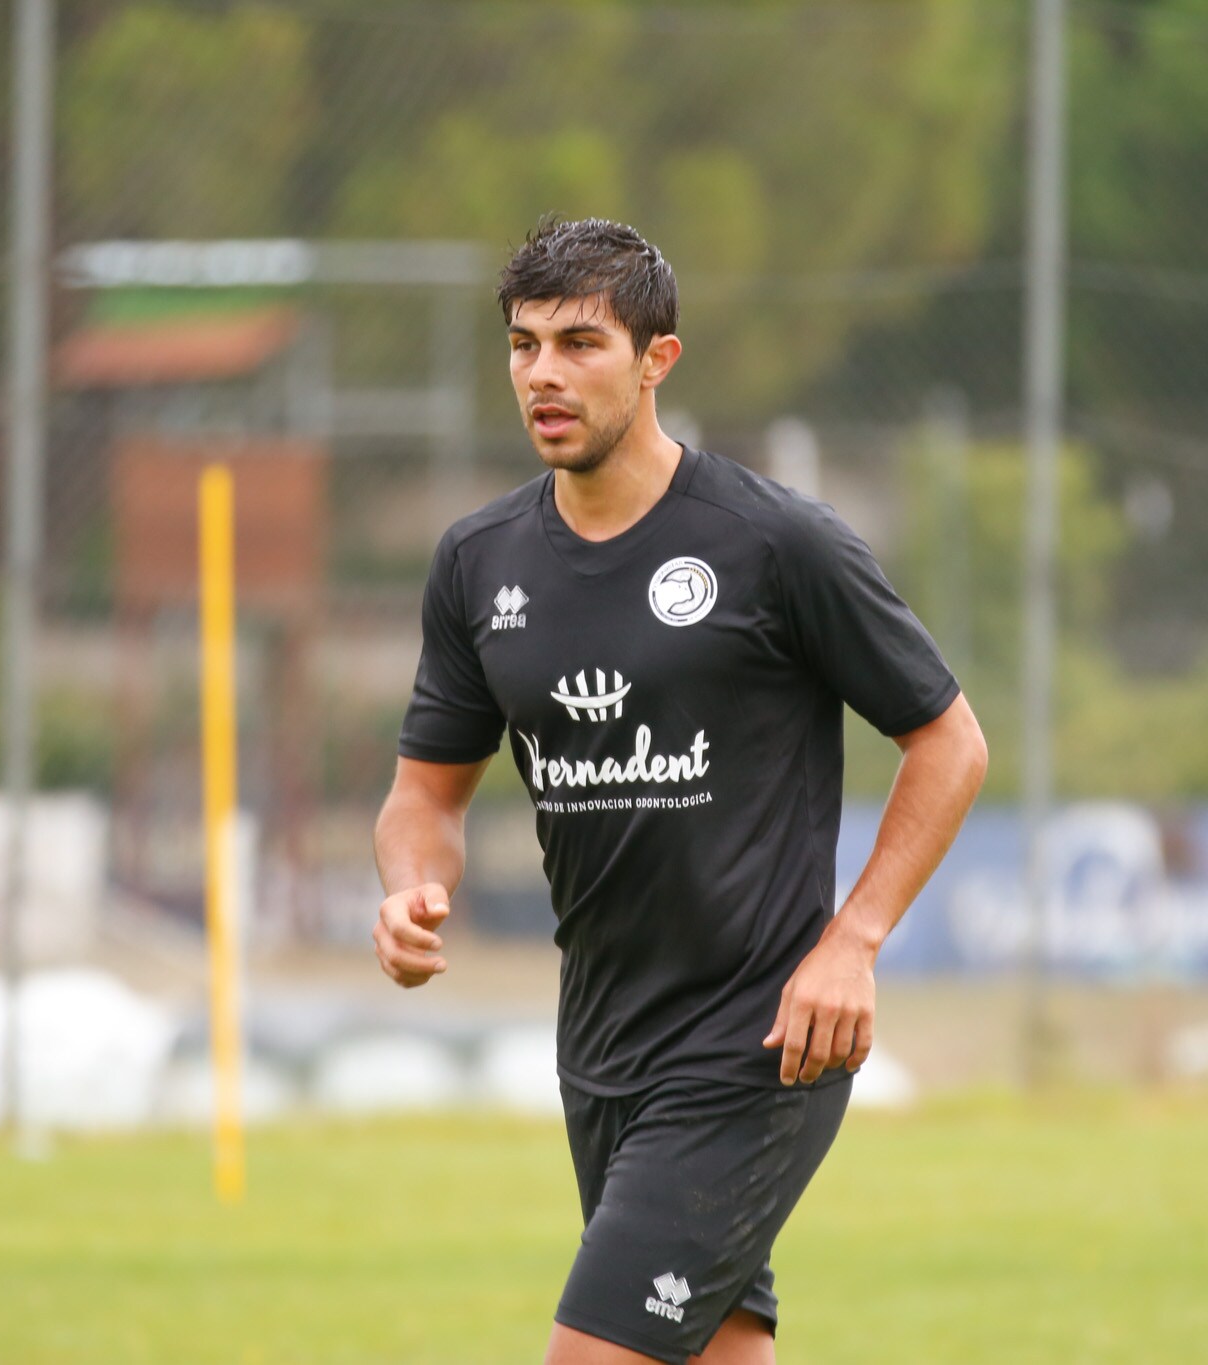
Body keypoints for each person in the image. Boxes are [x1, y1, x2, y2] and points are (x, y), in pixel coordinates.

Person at [372, 217, 988, 1365]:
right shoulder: (478, 562)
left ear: (657, 360)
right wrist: (411, 889)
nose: (542, 374)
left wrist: (851, 941)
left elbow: (948, 742)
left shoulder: (773, 544)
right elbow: (426, 795)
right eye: (521, 345)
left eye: (578, 343)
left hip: (758, 1043)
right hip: (602, 1039)